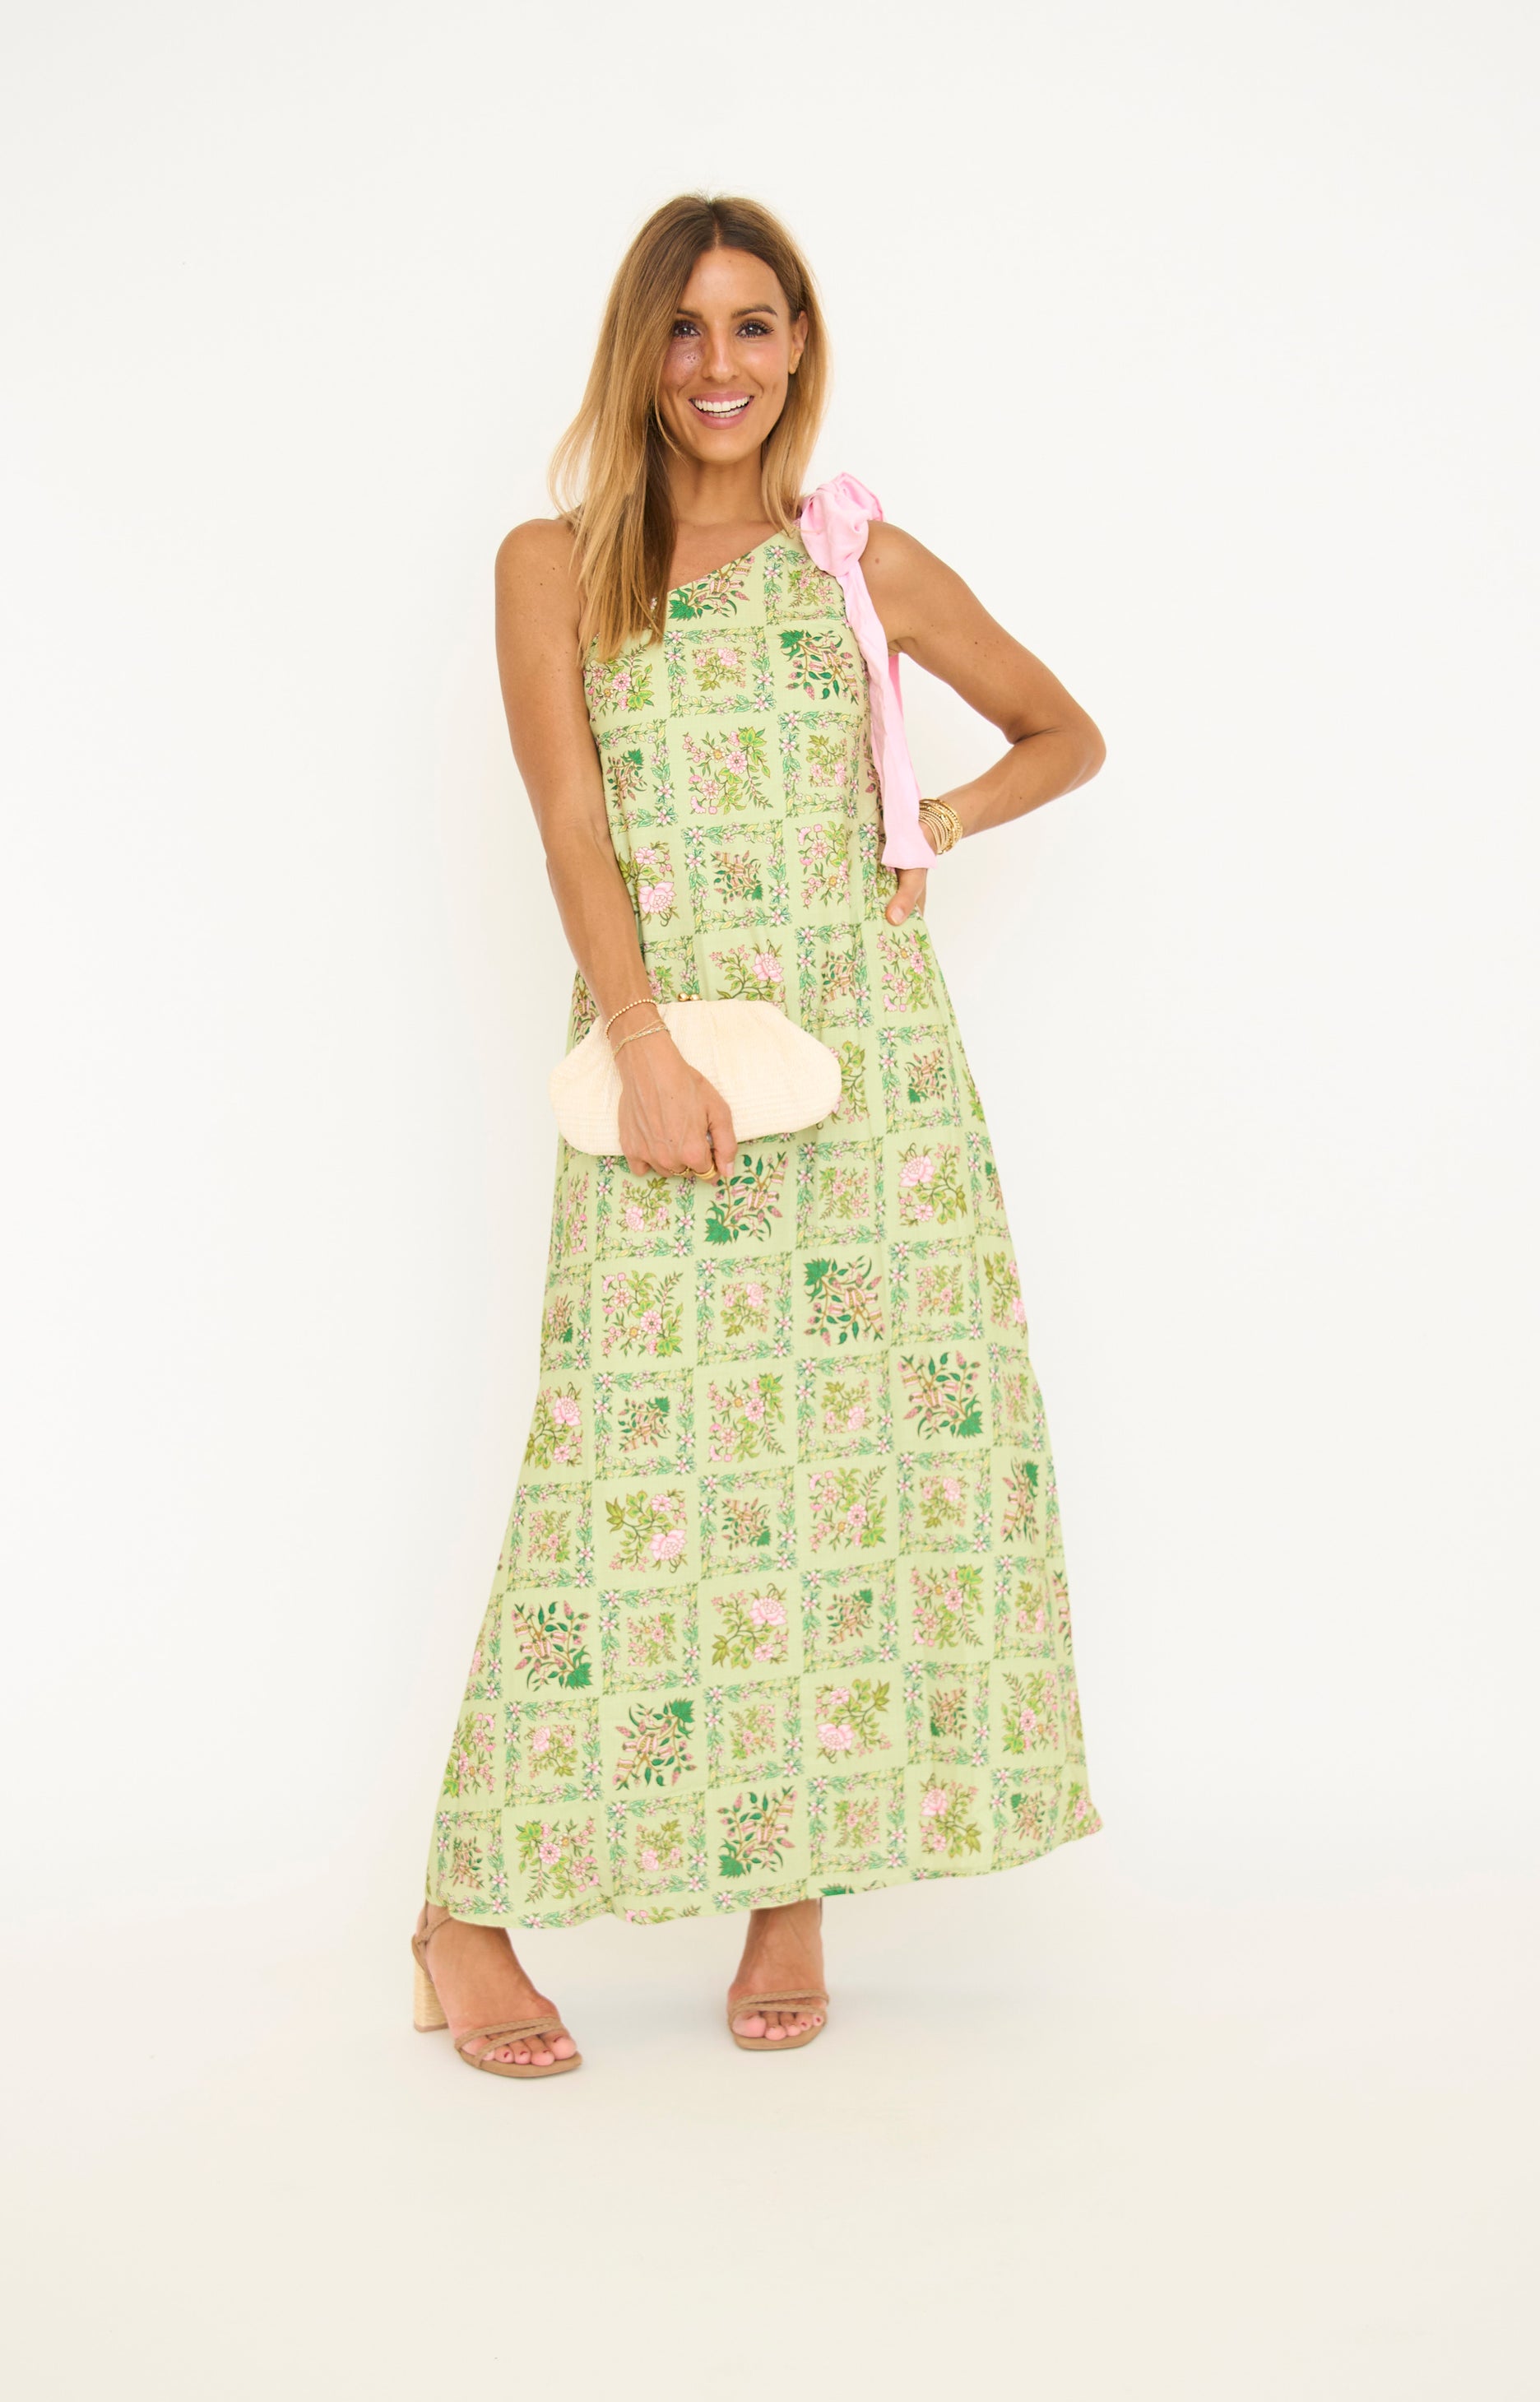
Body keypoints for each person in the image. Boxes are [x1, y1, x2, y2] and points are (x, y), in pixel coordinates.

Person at [411, 192, 1108, 2079]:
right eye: (684, 326)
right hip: (666, 1075)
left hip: (873, 1089)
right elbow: (572, 826)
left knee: (834, 1480)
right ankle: (461, 1906)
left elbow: (1063, 733)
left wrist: (928, 823)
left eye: (753, 324)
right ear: (637, 349)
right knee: (615, 1468)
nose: (718, 363)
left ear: (798, 345)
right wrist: (640, 1048)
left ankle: (789, 1894)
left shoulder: (857, 560)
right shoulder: (554, 564)